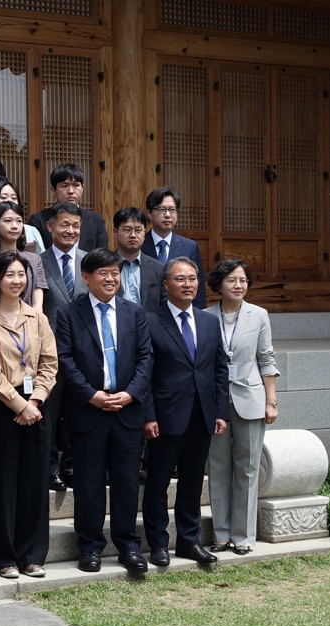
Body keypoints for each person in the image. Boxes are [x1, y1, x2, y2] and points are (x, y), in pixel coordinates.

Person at [55, 249, 152, 574]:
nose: (111, 279)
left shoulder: (134, 312)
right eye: (103, 273)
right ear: (86, 277)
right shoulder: (69, 313)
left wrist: (130, 394)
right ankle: (90, 547)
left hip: (126, 412)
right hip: (89, 413)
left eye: (115, 273)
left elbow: (145, 358)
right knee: (88, 484)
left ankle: (128, 546)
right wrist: (92, 395)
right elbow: (65, 360)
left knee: (126, 484)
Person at [142, 257, 229, 568]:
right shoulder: (150, 321)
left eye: (192, 279)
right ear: (166, 285)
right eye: (180, 279)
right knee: (157, 484)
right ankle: (158, 544)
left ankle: (189, 542)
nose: (188, 284)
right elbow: (146, 374)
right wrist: (148, 415)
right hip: (165, 418)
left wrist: (221, 411)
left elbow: (219, 369)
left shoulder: (208, 321)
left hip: (202, 415)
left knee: (192, 484)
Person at [0, 252, 58, 579]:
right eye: (9, 274)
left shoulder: (37, 318)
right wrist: (19, 404)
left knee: (35, 483)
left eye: (21, 275)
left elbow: (49, 363)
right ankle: (2, 557)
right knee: (2, 484)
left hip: (37, 408)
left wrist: (36, 400)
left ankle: (32, 555)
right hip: (3, 408)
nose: (17, 280)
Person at [205, 259, 278, 556]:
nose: (239, 285)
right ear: (219, 285)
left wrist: (271, 401)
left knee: (247, 469)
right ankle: (221, 534)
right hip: (215, 401)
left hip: (250, 399)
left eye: (243, 280)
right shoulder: (205, 316)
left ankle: (243, 536)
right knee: (218, 467)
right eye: (232, 280)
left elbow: (267, 359)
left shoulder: (259, 315)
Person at [38, 201, 87, 491]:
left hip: (82, 351)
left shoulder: (89, 261)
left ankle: (71, 466)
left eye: (76, 226)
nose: (70, 230)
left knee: (77, 414)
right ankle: (49, 470)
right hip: (48, 351)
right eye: (64, 224)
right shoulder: (36, 261)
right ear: (50, 226)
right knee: (50, 415)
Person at [0, 201, 47, 311]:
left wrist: (34, 321)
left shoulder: (34, 259)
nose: (14, 226)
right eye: (7, 221)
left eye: (19, 221)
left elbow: (37, 300)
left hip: (29, 321)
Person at [142, 186, 206, 309]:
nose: (167, 215)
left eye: (172, 210)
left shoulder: (189, 246)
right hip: (148, 314)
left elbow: (198, 290)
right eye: (161, 209)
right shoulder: (140, 244)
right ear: (149, 213)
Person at [26, 164, 108, 252]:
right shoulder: (39, 220)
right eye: (64, 186)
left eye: (76, 185)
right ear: (53, 190)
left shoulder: (96, 220)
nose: (71, 191)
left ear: (82, 188)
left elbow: (102, 256)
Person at [113, 207, 166, 311]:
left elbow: (165, 305)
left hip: (149, 326)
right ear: (115, 232)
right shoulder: (104, 267)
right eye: (127, 230)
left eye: (138, 230)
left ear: (144, 233)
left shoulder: (158, 269)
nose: (133, 235)